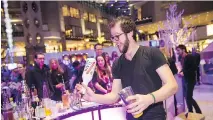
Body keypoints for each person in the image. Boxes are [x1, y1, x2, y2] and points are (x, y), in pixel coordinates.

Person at [76, 16, 178, 120]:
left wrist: (148, 99)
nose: (115, 41)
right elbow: (114, 96)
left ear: (130, 33)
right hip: (131, 117)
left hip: (155, 116)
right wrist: (92, 97)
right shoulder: (117, 64)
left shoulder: (152, 54)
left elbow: (172, 85)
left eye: (117, 36)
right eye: (113, 38)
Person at [176, 45, 202, 114]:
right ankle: (192, 112)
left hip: (191, 79)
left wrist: (184, 73)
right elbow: (185, 68)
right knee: (187, 97)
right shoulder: (182, 58)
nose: (177, 52)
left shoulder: (190, 57)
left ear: (183, 50)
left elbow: (194, 68)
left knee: (188, 97)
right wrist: (181, 71)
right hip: (185, 80)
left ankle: (197, 112)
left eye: (178, 50)